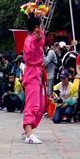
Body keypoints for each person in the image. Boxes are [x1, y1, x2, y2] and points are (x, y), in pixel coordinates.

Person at [20, 14, 46, 143]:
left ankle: (28, 130)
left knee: (41, 106)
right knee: (33, 105)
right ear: (35, 27)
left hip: (39, 74)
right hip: (32, 74)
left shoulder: (37, 38)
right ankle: (29, 133)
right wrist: (36, 39)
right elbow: (29, 53)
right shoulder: (29, 40)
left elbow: (41, 40)